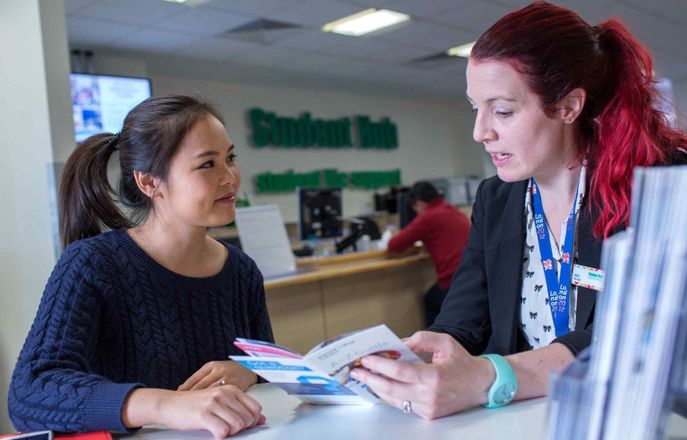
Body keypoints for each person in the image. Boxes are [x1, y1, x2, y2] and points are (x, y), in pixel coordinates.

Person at [351, 1, 687, 420]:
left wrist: (491, 376)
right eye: (477, 108)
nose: (480, 132)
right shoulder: (497, 199)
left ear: (568, 107)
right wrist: (412, 359)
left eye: (503, 111)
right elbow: (462, 323)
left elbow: (643, 333)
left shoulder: (662, 182)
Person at [8, 95, 274, 439]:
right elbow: (30, 393)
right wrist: (166, 405)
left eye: (230, 158)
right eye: (207, 164)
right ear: (149, 182)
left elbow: (270, 367)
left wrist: (247, 371)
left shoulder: (242, 271)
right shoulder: (93, 264)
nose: (230, 178)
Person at [387, 181, 470, 325]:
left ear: (419, 203)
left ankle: (434, 343)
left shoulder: (428, 217)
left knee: (430, 300)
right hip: (472, 277)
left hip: (452, 282)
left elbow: (394, 245)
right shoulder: (453, 210)